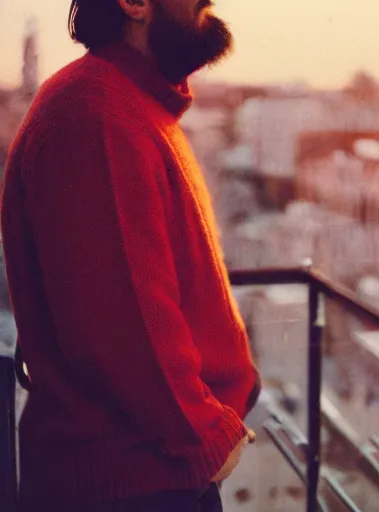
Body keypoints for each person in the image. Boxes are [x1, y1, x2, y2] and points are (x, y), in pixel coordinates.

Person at [0, 0, 261, 510]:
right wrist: (206, 434)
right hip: (134, 483)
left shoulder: (128, 103)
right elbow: (126, 320)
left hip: (153, 470)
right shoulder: (95, 112)